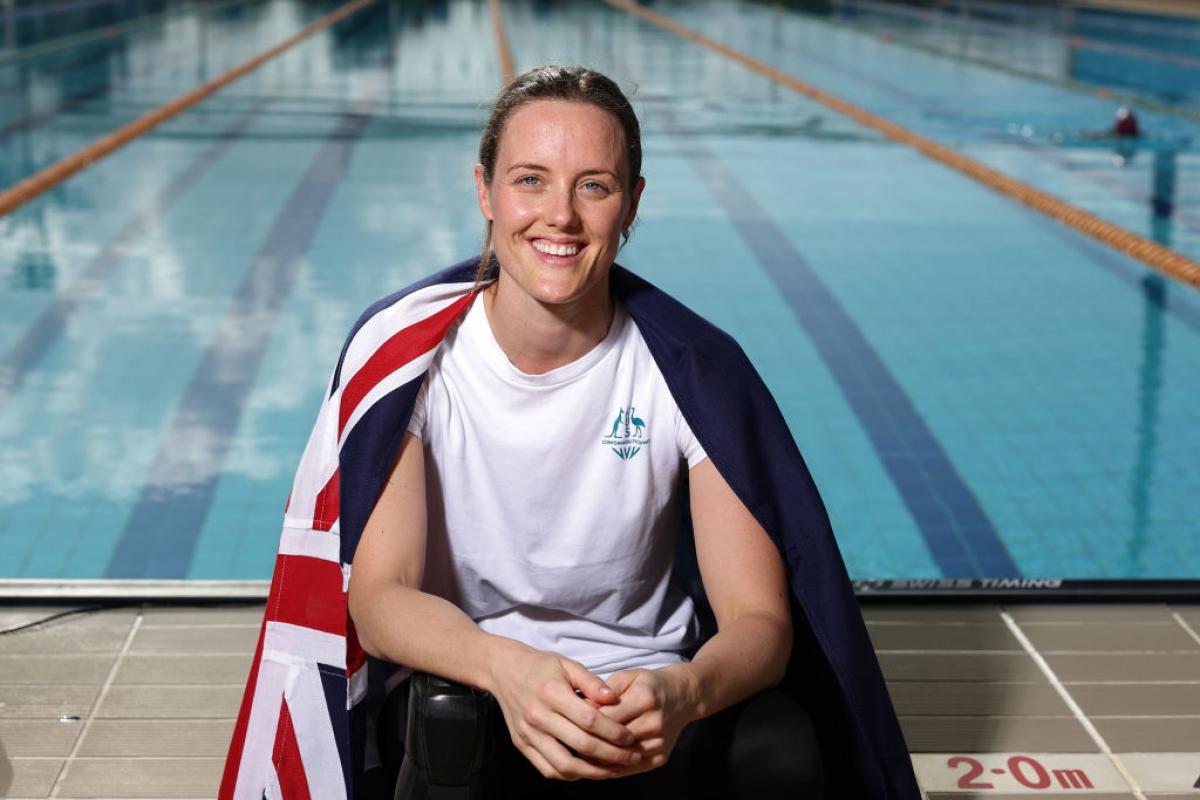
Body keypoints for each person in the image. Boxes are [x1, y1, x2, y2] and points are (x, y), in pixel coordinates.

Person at [220, 65, 919, 800]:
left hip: (644, 701)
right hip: (478, 691)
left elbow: (760, 621)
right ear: (484, 190)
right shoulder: (416, 362)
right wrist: (506, 671)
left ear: (632, 204)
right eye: (530, 180)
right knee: (445, 721)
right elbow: (380, 597)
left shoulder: (689, 370)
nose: (560, 215)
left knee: (782, 745)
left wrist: (684, 691)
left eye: (594, 185)